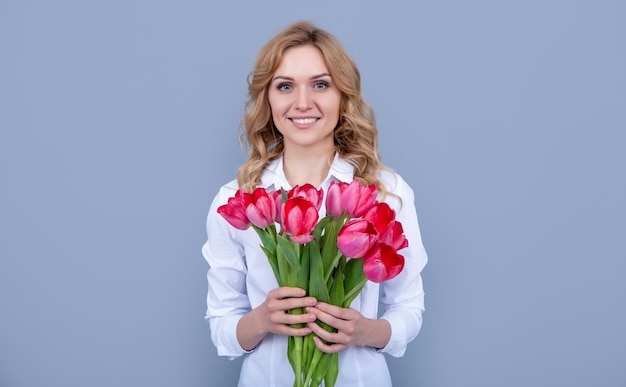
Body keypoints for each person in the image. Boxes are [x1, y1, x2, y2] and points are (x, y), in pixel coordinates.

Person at [202, 21, 428, 386]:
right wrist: (262, 320)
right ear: (268, 99)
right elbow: (222, 328)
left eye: (320, 85)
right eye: (285, 86)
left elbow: (409, 309)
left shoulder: (386, 192)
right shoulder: (237, 200)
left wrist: (364, 332)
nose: (302, 103)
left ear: (343, 95)